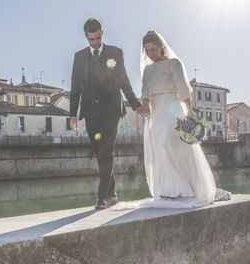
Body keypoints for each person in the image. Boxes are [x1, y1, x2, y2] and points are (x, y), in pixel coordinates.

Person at [139, 31, 228, 207]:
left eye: (153, 49)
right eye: (147, 50)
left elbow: (183, 88)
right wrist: (145, 104)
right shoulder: (147, 70)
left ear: (161, 47)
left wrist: (189, 111)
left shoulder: (174, 63)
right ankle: (168, 189)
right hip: (156, 112)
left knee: (171, 145)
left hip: (173, 109)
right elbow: (145, 91)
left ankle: (181, 189)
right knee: (159, 147)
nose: (150, 53)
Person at [70, 18, 142, 210]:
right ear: (86, 36)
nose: (95, 42)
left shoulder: (115, 52)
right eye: (91, 39)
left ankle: (101, 197)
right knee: (98, 152)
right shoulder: (79, 57)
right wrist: (72, 114)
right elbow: (75, 87)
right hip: (90, 110)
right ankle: (112, 194)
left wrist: (135, 103)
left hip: (111, 108)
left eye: (98, 38)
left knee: (105, 152)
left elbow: (124, 80)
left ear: (103, 32)